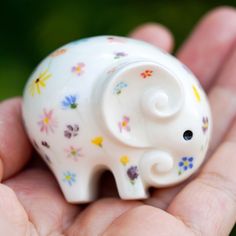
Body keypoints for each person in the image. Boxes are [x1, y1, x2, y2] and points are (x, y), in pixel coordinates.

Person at [0, 6, 236, 236]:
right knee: (83, 168)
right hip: (57, 114)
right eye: (187, 135)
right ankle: (86, 184)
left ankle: (78, 186)